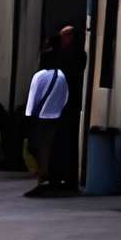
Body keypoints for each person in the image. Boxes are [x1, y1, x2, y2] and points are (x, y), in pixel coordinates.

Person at [22, 29, 76, 195]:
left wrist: (29, 117)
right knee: (49, 146)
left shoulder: (39, 77)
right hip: (56, 116)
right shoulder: (61, 75)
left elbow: (33, 98)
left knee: (38, 146)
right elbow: (65, 97)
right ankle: (47, 174)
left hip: (40, 117)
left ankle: (42, 175)